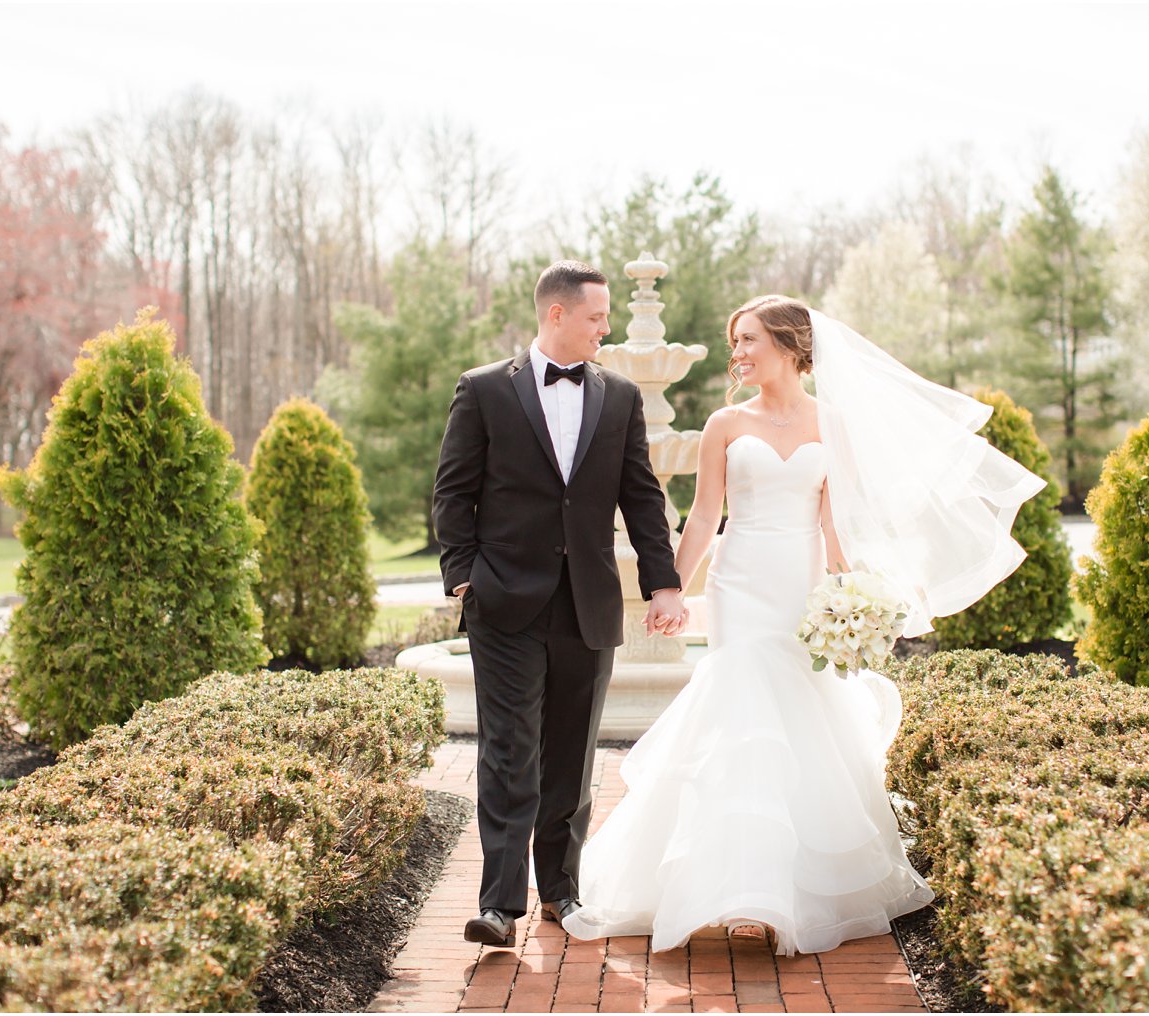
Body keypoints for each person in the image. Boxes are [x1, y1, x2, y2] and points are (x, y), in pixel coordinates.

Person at [560, 295, 1046, 955]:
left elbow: (834, 523)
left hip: (801, 585)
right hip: (741, 585)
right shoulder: (723, 425)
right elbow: (704, 517)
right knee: (743, 715)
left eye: (748, 340)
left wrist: (855, 596)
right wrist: (669, 587)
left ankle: (795, 885)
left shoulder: (832, 424)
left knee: (801, 717)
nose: (737, 353)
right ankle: (742, 891)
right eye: (733, 341)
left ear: (790, 345)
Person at [432, 260, 689, 948]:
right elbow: (453, 492)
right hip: (503, 603)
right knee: (509, 752)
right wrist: (463, 577)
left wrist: (663, 583)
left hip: (589, 604)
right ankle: (499, 905)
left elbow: (641, 497)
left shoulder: (622, 397)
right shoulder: (485, 390)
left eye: (607, 317)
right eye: (597, 318)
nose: (606, 329)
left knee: (571, 760)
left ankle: (564, 893)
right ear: (557, 315)